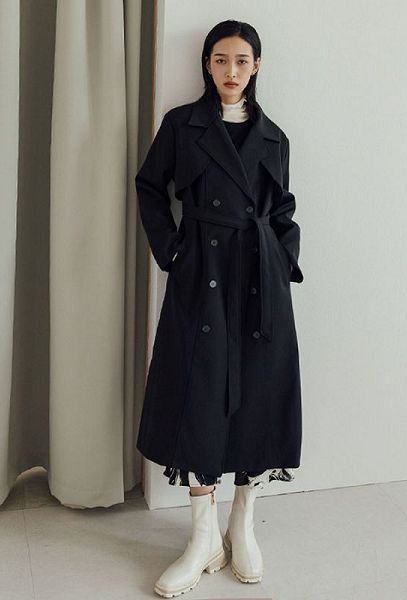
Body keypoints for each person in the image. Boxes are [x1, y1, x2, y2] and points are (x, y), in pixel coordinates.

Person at [135, 19, 304, 598]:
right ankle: (202, 538)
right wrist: (173, 251)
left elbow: (283, 210)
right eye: (220, 60)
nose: (231, 71)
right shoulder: (182, 125)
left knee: (258, 392)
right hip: (200, 275)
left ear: (256, 67)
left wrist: (282, 260)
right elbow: (150, 188)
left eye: (241, 61)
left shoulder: (274, 137)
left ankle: (241, 523)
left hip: (260, 279)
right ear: (207, 64)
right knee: (199, 392)